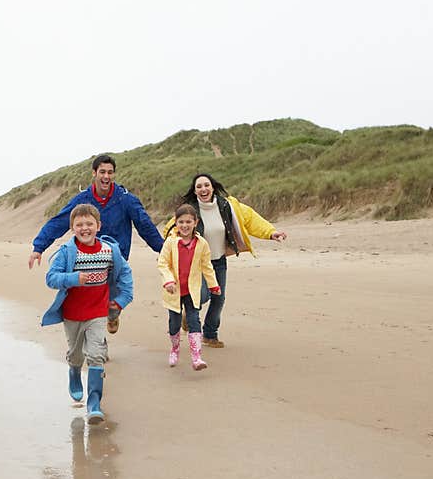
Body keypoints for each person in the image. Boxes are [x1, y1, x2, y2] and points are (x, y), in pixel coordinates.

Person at [29, 153, 162, 334]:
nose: (106, 176)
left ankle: (113, 315)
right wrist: (39, 247)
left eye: (110, 172)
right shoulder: (82, 199)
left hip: (116, 259)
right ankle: (99, 343)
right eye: (102, 172)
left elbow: (144, 225)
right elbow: (60, 221)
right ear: (94, 173)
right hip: (87, 257)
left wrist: (162, 249)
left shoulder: (125, 199)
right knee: (94, 301)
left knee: (114, 302)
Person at [162, 172, 287, 348]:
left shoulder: (228, 206)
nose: (203, 189)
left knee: (219, 297)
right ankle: (189, 315)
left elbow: (251, 219)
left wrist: (271, 232)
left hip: (219, 260)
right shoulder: (190, 210)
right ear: (195, 190)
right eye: (199, 186)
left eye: (206, 185)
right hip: (196, 264)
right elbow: (172, 229)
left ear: (213, 187)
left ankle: (210, 334)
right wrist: (169, 248)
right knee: (202, 295)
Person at [41, 204, 133, 424]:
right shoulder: (66, 253)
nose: (85, 228)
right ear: (72, 228)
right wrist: (73, 278)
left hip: (98, 313)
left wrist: (119, 303)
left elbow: (126, 280)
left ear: (98, 226)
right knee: (76, 354)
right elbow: (51, 278)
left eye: (89, 224)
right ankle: (74, 371)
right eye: (79, 225)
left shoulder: (110, 251)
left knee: (96, 354)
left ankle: (94, 404)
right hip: (72, 314)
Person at [157, 204, 221, 370]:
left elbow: (207, 266)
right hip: (174, 291)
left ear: (195, 222)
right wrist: (168, 281)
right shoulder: (170, 242)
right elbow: (163, 263)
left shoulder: (202, 244)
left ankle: (196, 357)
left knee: (194, 320)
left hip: (192, 291)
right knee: (174, 323)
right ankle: (175, 349)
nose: (185, 225)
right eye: (181, 222)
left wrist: (213, 285)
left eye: (188, 222)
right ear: (175, 223)